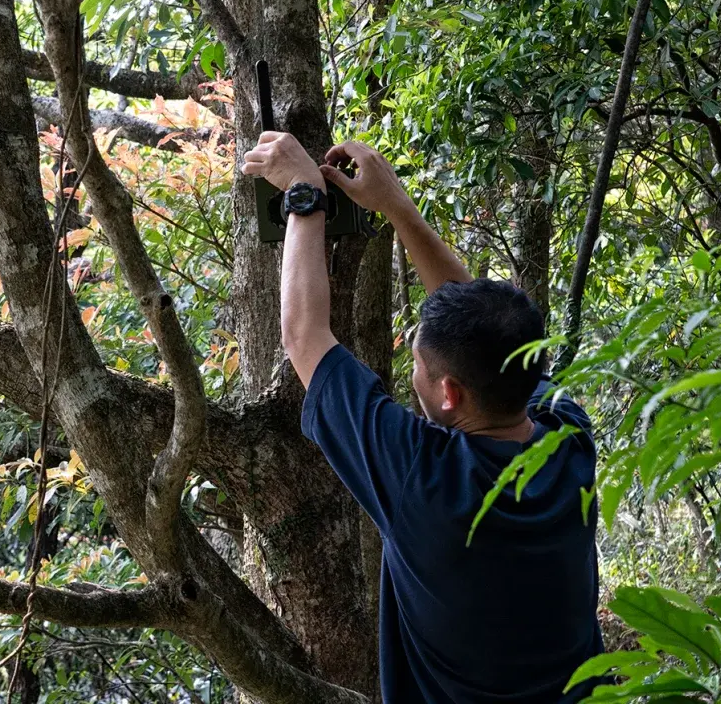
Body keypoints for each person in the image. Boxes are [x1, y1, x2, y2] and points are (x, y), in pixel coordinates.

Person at [241, 133, 603, 703]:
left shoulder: (423, 480)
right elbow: (495, 343)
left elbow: (304, 336)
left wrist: (304, 195)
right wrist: (397, 208)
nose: (412, 372)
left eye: (417, 363)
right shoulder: (569, 441)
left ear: (450, 394)